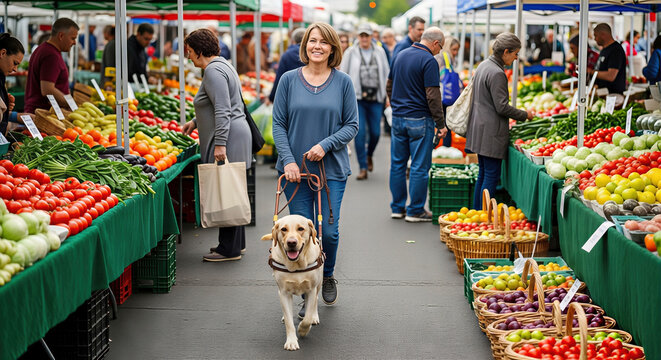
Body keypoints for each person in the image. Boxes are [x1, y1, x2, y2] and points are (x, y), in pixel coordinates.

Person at [272, 22, 358, 310]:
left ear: (333, 47)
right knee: (299, 235)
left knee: (329, 232)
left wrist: (326, 144)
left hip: (331, 168)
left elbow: (352, 125)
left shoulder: (343, 82)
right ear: (304, 45)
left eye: (323, 42)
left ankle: (328, 274)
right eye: (312, 41)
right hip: (294, 172)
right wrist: (287, 160)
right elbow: (279, 124)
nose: (317, 46)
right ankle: (305, 290)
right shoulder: (288, 80)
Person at [180, 29, 252, 262]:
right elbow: (223, 102)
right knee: (232, 186)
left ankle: (228, 249)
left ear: (199, 50)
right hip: (236, 132)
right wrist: (195, 122)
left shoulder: (212, 72)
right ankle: (234, 244)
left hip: (228, 136)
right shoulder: (224, 64)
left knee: (226, 187)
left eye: (189, 51)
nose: (188, 56)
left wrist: (220, 143)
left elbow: (223, 109)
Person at [466, 33, 533, 210]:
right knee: (490, 176)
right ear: (505, 51)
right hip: (491, 132)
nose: (517, 58)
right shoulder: (497, 73)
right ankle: (484, 214)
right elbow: (502, 107)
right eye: (515, 53)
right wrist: (525, 114)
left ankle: (478, 213)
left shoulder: (483, 66)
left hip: (479, 127)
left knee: (483, 174)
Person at [387, 27, 448, 223]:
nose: (440, 52)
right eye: (441, 48)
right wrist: (440, 123)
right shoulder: (429, 60)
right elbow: (432, 95)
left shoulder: (400, 55)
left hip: (398, 118)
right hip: (420, 119)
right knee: (419, 167)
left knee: (397, 165)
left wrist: (397, 105)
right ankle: (415, 210)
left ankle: (397, 208)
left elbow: (389, 85)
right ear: (436, 43)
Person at [340, 24, 389, 180]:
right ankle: (362, 167)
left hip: (375, 98)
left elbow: (387, 73)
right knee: (359, 133)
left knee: (375, 132)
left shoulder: (380, 52)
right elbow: (344, 74)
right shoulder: (350, 52)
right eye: (361, 36)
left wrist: (388, 95)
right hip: (357, 99)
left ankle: (369, 155)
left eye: (367, 36)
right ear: (358, 37)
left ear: (371, 37)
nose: (364, 39)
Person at [25, 18, 78, 114]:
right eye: (73, 38)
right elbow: (47, 90)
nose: (74, 42)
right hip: (43, 115)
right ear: (61, 36)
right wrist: (72, 105)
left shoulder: (43, 49)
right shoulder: (51, 55)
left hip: (38, 112)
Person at [434, 37, 462, 148]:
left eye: (457, 50)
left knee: (445, 124)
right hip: (443, 97)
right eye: (454, 49)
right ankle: (442, 147)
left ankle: (443, 147)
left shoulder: (449, 58)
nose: (455, 52)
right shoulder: (443, 58)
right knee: (445, 124)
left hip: (445, 97)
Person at [268, 28, 305, 104]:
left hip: (290, 95)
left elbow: (279, 78)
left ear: (293, 41)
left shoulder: (287, 55)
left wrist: (272, 97)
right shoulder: (310, 54)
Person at [590, 23, 627, 94]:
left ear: (603, 34)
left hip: (613, 95)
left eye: (596, 35)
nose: (595, 39)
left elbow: (611, 76)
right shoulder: (604, 49)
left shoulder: (616, 50)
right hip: (603, 93)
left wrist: (591, 71)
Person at [0, 33, 24, 133]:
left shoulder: (1, 76)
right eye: (15, 63)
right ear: (2, 53)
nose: (15, 69)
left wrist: (5, 107)